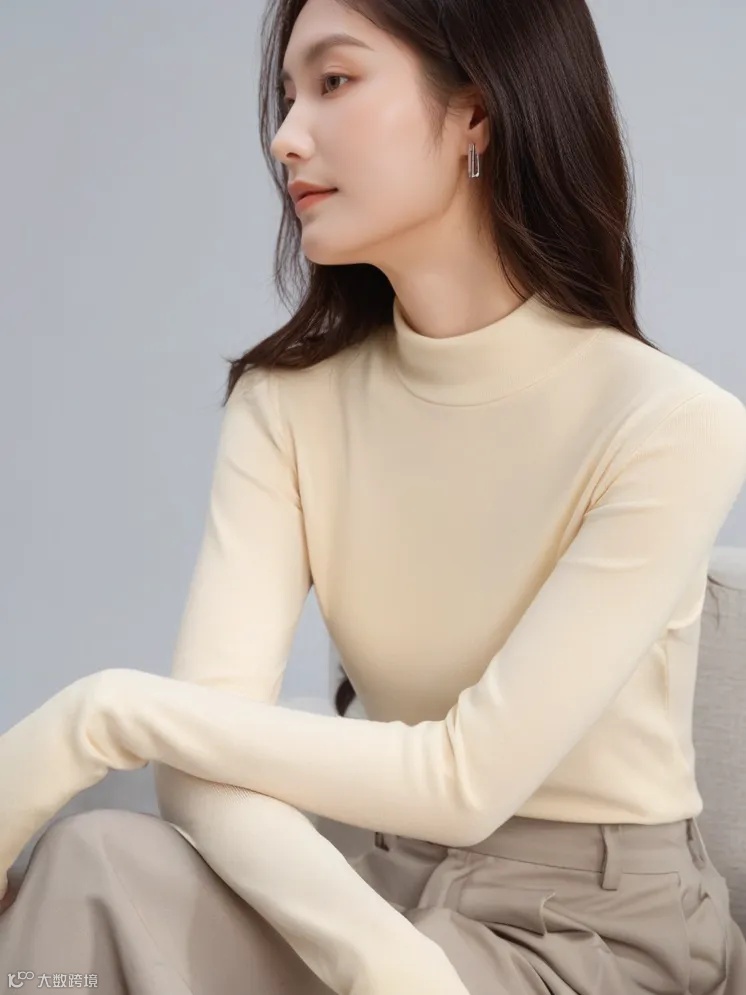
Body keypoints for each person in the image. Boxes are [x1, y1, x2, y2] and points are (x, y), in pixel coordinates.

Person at [1, 0, 746, 991]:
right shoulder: (287, 404)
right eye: (286, 95)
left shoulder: (671, 423)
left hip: (588, 936)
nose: (285, 135)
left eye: (334, 82)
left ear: (475, 114)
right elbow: (202, 769)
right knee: (93, 864)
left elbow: (465, 781)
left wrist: (101, 713)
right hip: (377, 895)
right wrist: (380, 962)